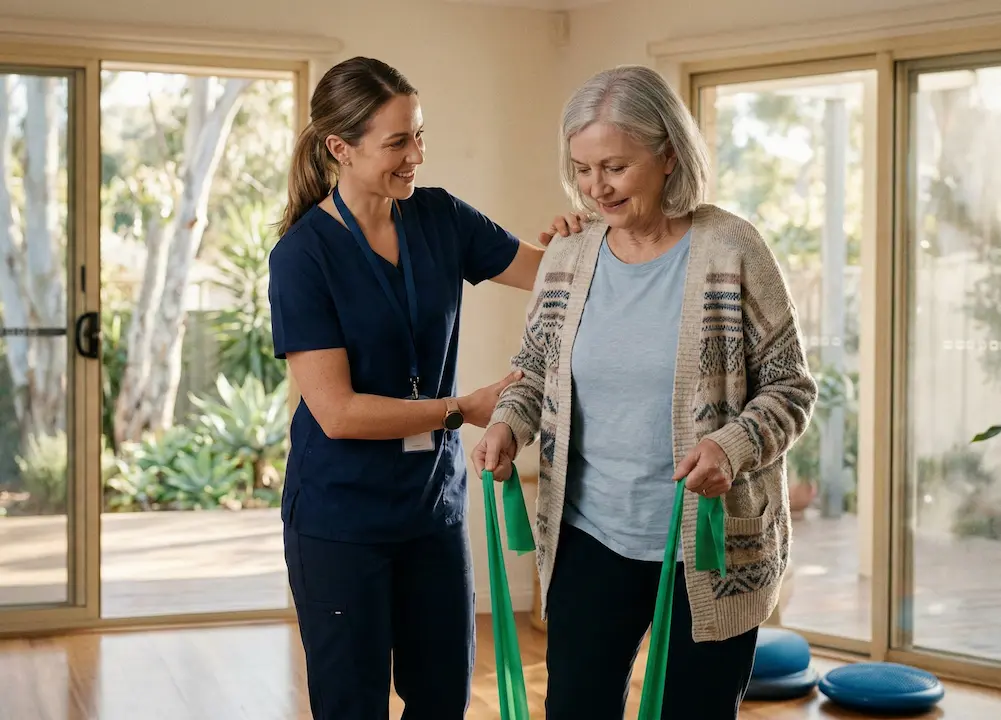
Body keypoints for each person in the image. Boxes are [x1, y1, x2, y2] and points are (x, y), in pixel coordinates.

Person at [473, 64, 818, 719]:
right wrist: (507, 426)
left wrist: (730, 444)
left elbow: (789, 388)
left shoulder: (731, 249)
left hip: (709, 544)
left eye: (614, 167)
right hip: (589, 535)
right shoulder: (567, 258)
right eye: (581, 169)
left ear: (666, 156)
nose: (594, 187)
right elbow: (533, 372)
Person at [268, 56, 581, 720]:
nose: (417, 154)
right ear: (339, 149)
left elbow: (547, 274)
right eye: (397, 141)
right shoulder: (302, 256)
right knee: (352, 705)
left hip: (430, 510)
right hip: (340, 521)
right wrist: (459, 410)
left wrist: (570, 245)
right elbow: (337, 412)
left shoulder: (439, 218)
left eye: (419, 134)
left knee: (442, 695)